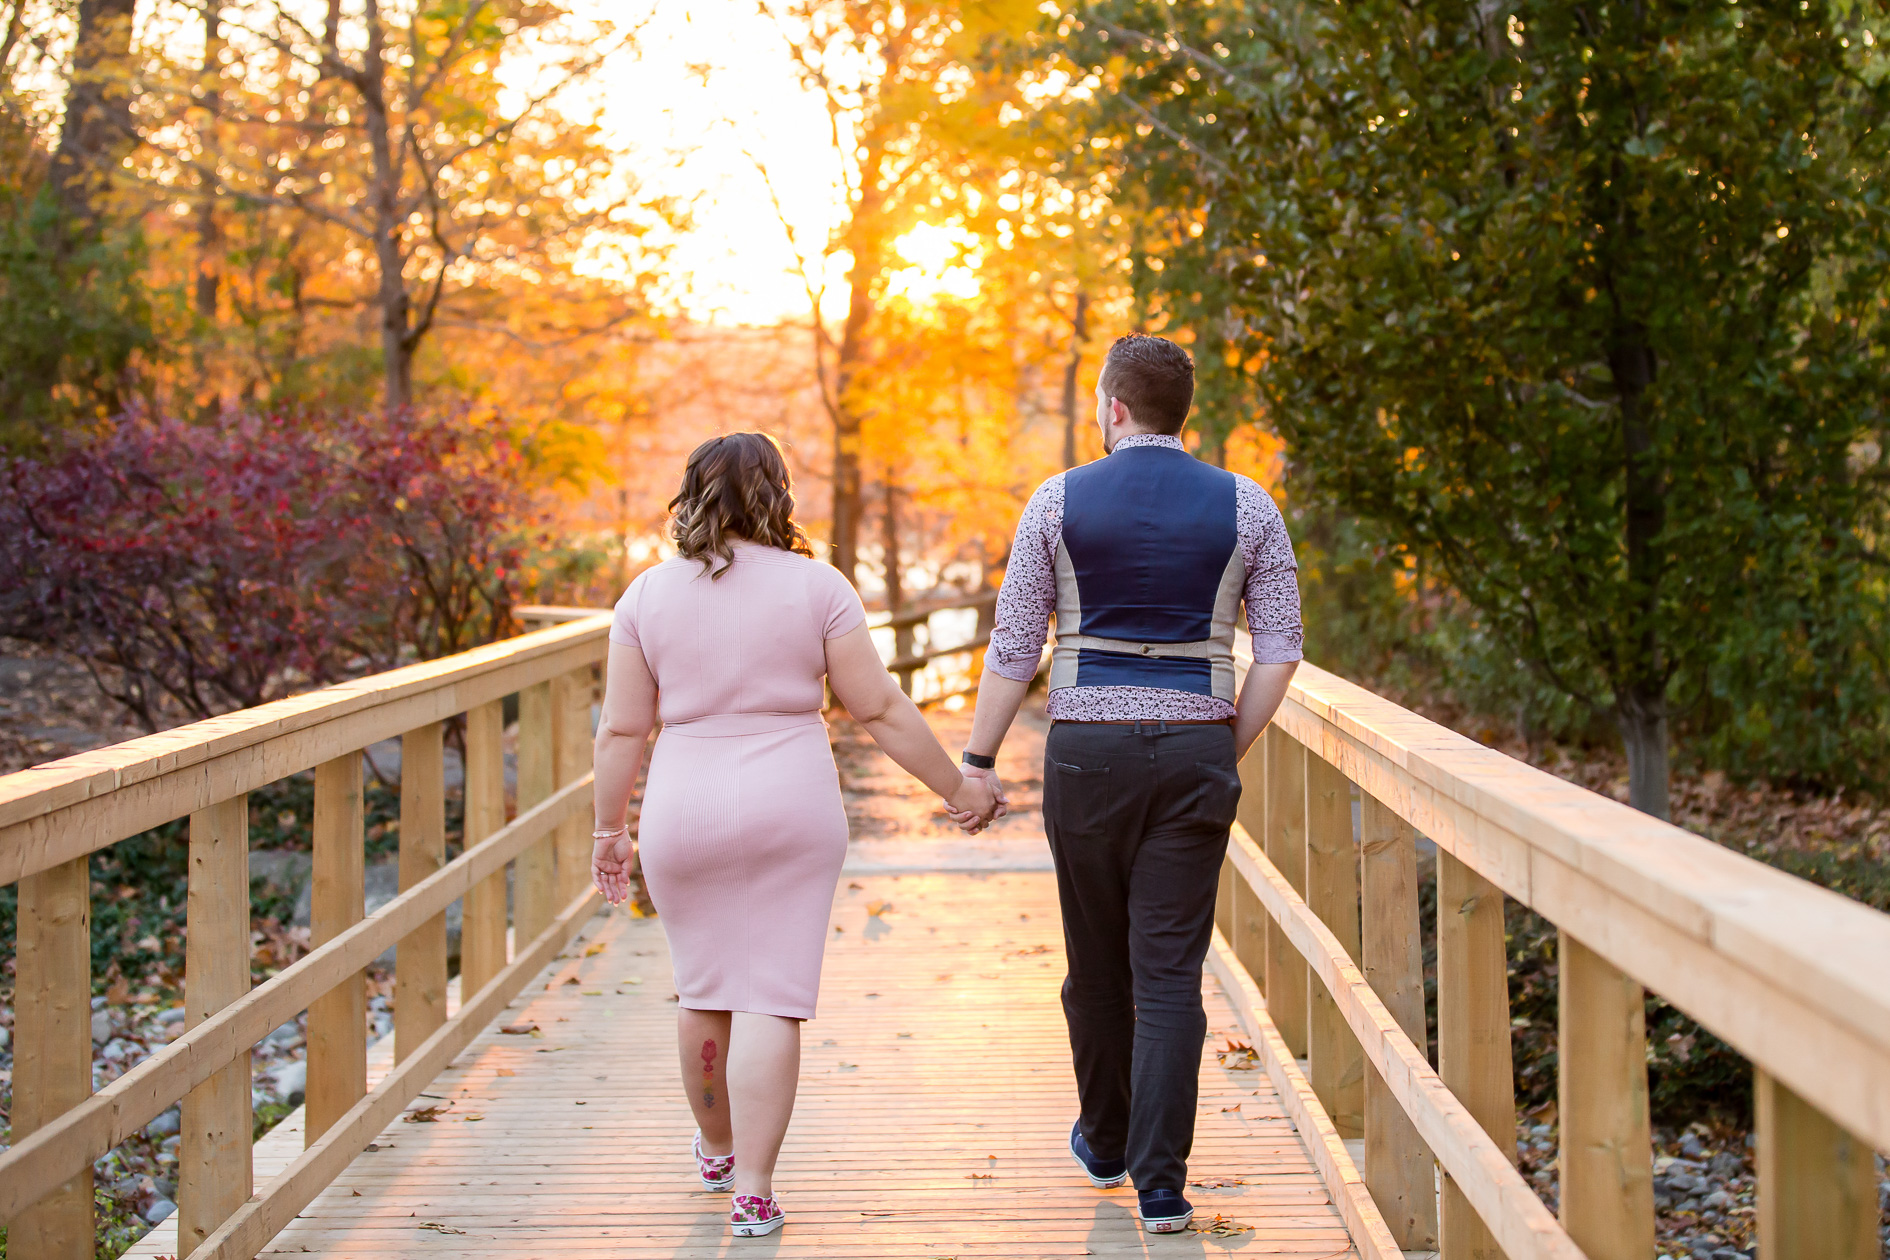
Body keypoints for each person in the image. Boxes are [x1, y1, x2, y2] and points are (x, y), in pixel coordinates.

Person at [588, 432, 1000, 1239]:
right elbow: (876, 707)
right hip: (791, 801)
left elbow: (620, 731)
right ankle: (754, 1190)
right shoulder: (820, 587)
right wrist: (958, 788)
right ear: (778, 494)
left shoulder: (644, 598)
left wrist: (610, 829)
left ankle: (714, 1147)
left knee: (703, 985)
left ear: (691, 494)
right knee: (772, 996)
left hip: (685, 803)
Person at [954, 334, 1302, 1234]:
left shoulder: (1056, 501)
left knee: (1096, 966)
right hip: (1195, 754)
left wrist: (979, 763)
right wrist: (1226, 740)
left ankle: (1104, 1141)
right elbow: (1281, 650)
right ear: (1182, 413)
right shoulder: (1251, 506)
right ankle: (1161, 1187)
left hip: (1086, 756)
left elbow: (1015, 646)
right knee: (1172, 974)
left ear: (1113, 406)